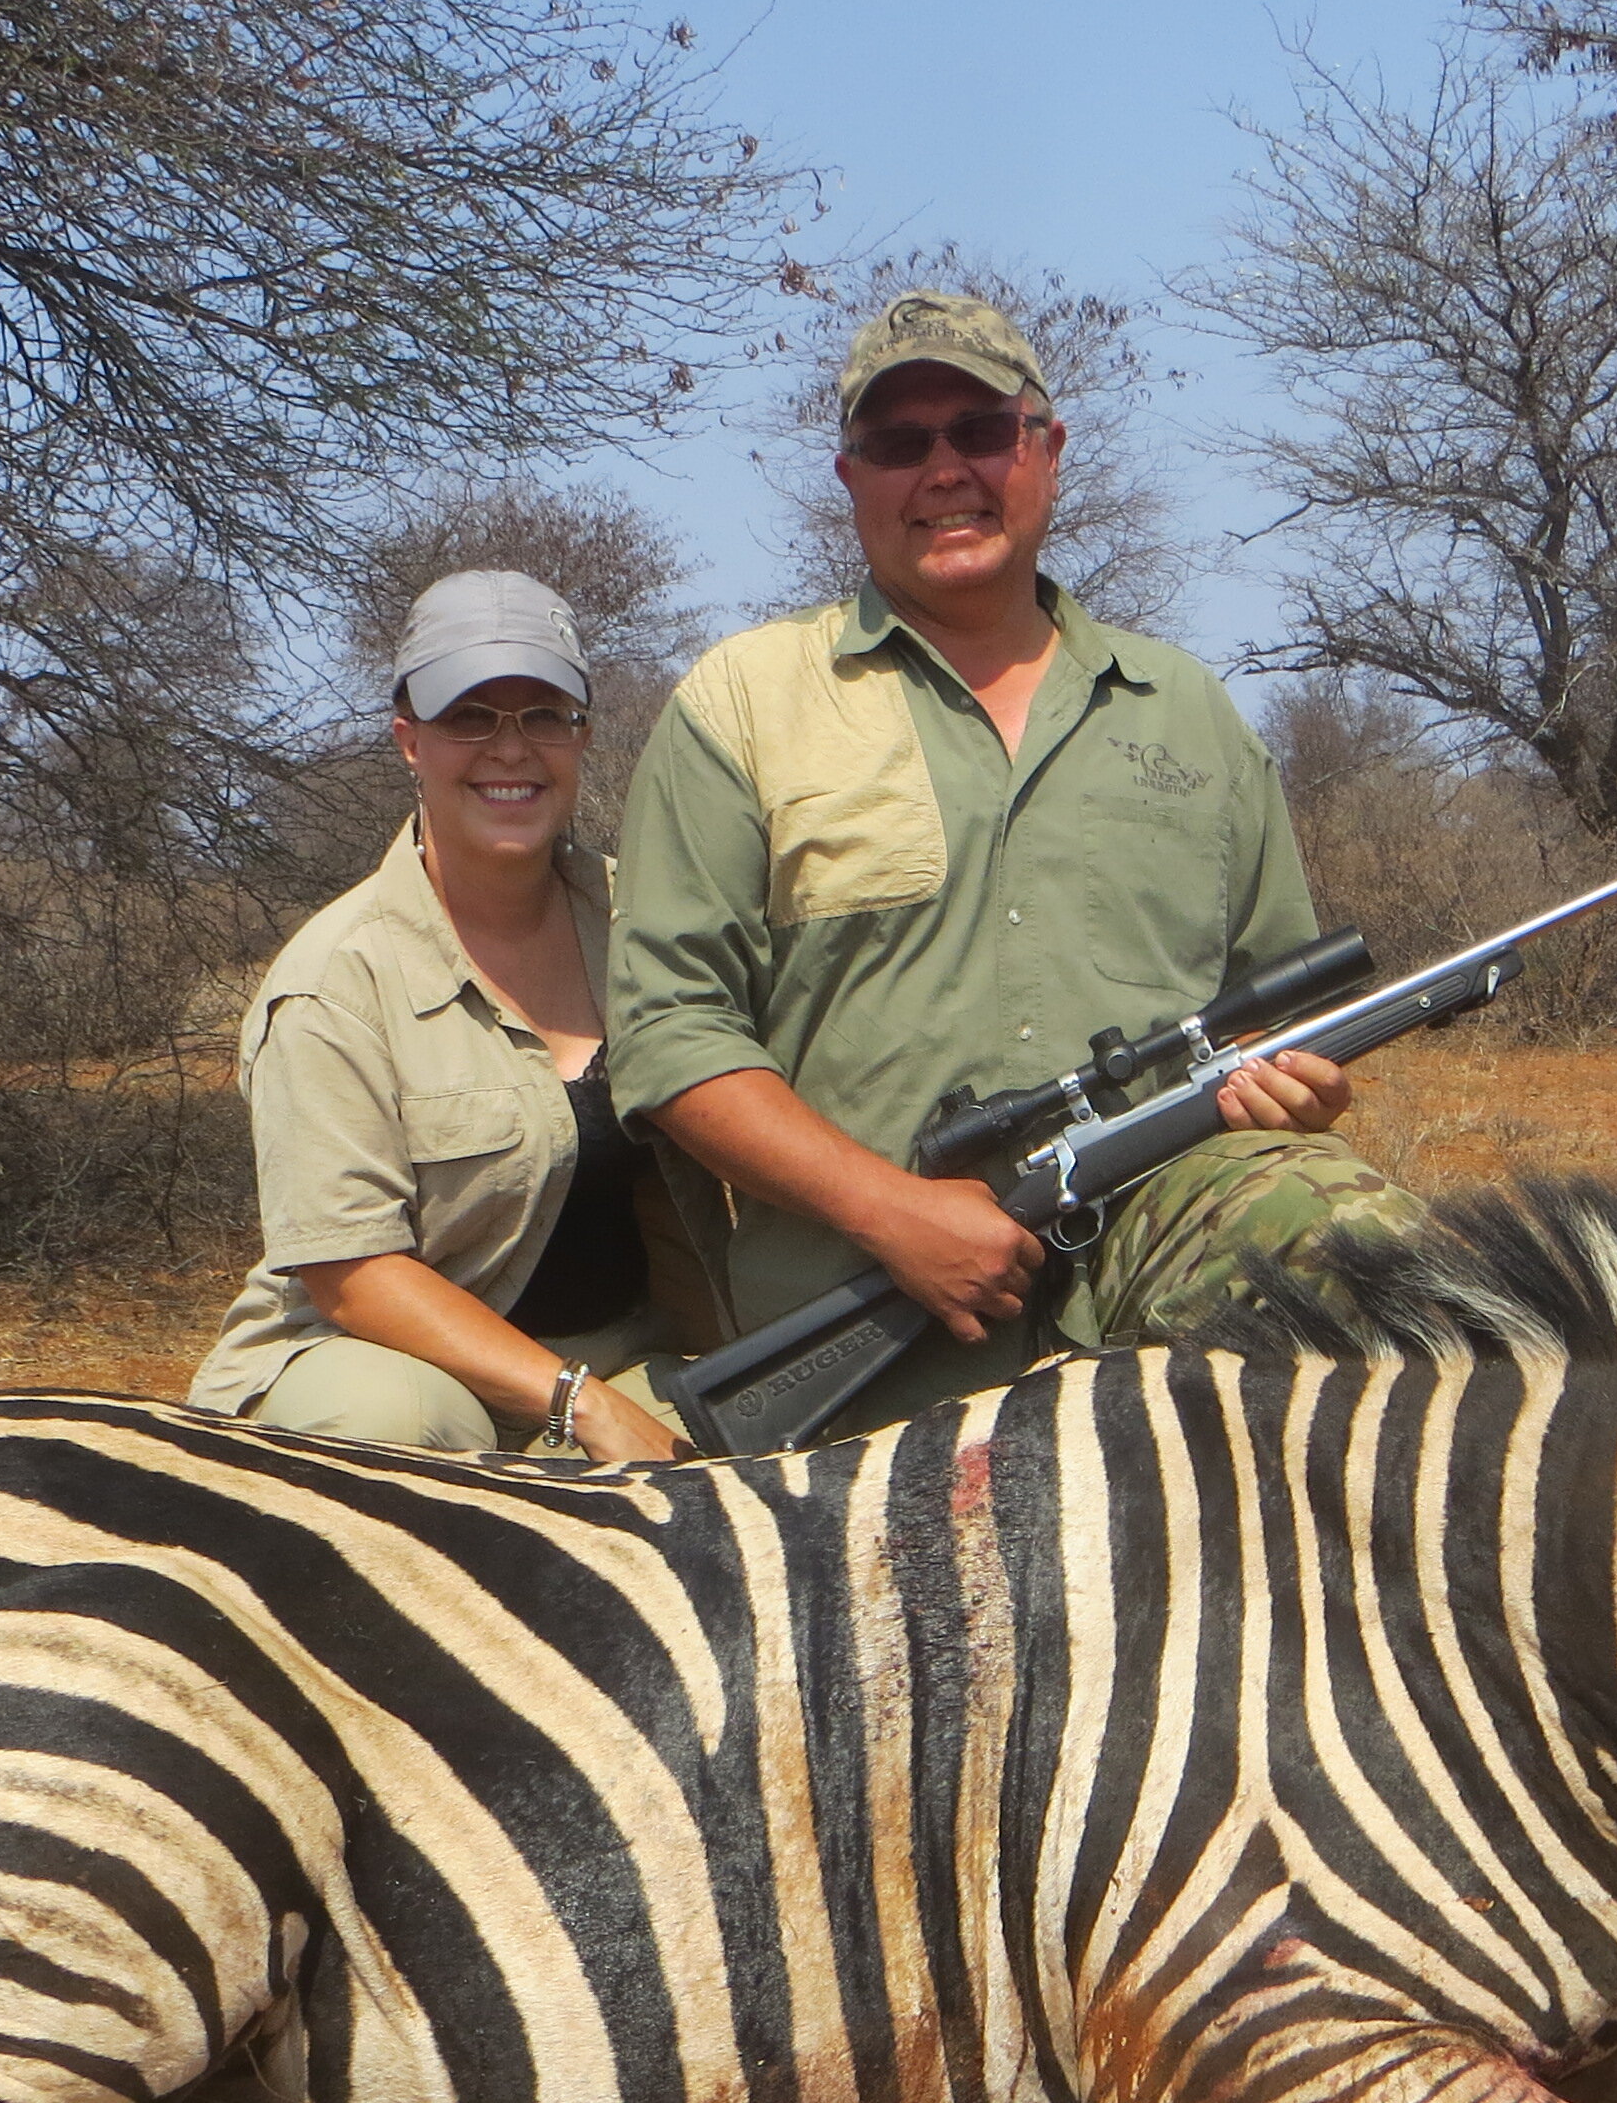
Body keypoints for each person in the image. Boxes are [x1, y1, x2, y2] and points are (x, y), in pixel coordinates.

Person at [608, 289, 1419, 1438]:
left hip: (1156, 1288)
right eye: (899, 445)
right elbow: (670, 1036)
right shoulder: (741, 701)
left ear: (1047, 449)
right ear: (850, 480)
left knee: (1391, 1269)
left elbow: (1270, 1015)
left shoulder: (1186, 708)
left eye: (981, 432)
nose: (944, 472)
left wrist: (1296, 1094)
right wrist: (895, 1216)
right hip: (873, 1328)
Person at [190, 570, 698, 1463]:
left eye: (544, 715)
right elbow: (351, 1277)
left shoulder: (649, 924)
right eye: (470, 716)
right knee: (404, 1428)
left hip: (620, 1355)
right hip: (382, 1364)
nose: (511, 749)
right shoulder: (331, 984)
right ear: (409, 742)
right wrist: (583, 1407)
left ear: (581, 737)